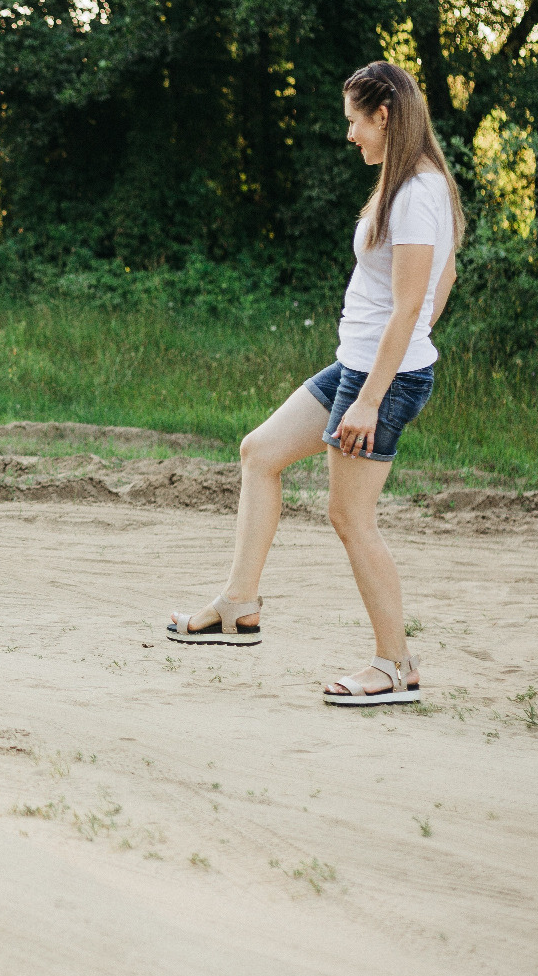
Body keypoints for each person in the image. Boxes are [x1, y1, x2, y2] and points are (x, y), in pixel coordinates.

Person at [163, 61, 464, 707]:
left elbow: (412, 304)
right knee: (259, 452)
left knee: (350, 517)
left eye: (354, 121)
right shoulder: (405, 183)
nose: (350, 134)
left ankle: (395, 665)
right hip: (355, 367)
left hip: (377, 381)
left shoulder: (417, 190)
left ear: (382, 115)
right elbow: (445, 275)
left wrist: (373, 395)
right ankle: (239, 605)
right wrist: (389, 355)